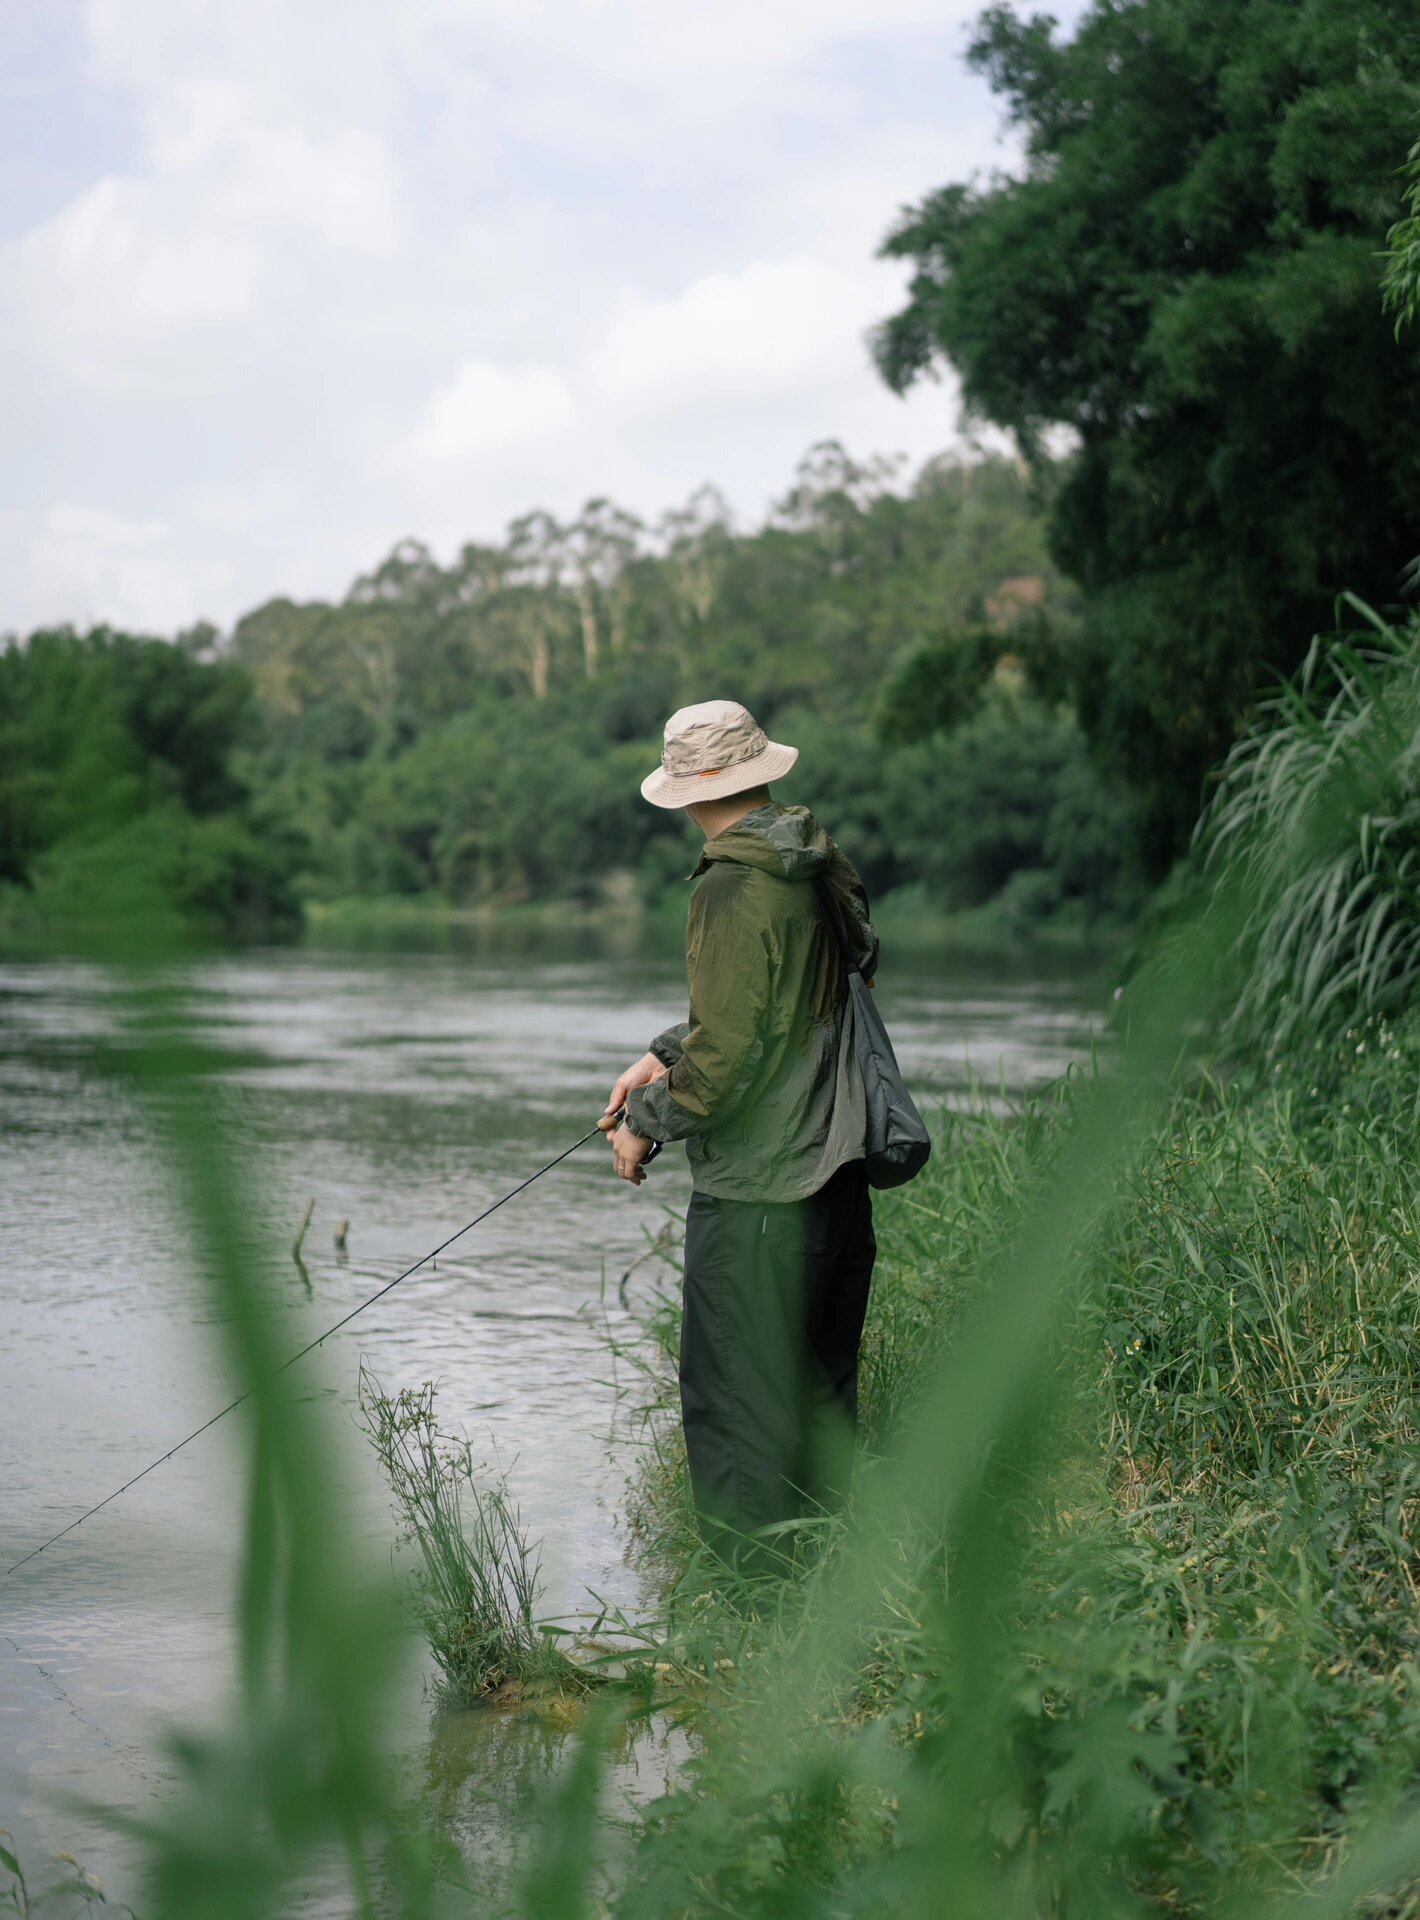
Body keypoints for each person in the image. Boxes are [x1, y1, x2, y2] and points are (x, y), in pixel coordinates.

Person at [600, 698, 879, 1570]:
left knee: (735, 1411)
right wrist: (663, 1054)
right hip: (837, 1188)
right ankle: (825, 1607)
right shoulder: (813, 862)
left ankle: (746, 1617)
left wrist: (642, 1125)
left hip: (760, 1199)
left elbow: (722, 1070)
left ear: (694, 790)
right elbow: (788, 1006)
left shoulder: (729, 885)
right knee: (819, 1403)